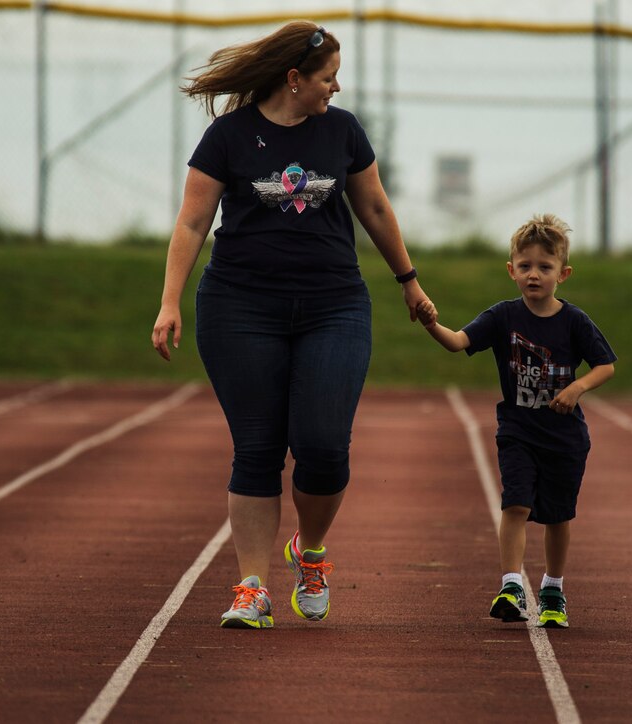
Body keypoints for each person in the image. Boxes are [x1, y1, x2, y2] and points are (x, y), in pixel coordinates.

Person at [151, 21, 428, 630]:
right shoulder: (227, 136)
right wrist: (170, 301)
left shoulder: (343, 130)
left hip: (334, 306)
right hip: (240, 308)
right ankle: (252, 585)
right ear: (294, 79)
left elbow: (375, 206)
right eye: (327, 77)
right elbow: (192, 223)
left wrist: (408, 280)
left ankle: (311, 550)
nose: (336, 86)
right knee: (256, 449)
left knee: (324, 450)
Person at [415, 214, 615, 628]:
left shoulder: (574, 321)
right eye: (525, 266)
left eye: (545, 267)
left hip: (564, 438)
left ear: (564, 273)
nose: (534, 275)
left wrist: (576, 388)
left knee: (559, 517)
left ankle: (553, 590)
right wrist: (431, 321)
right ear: (511, 271)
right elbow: (457, 343)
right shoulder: (502, 317)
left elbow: (605, 366)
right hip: (518, 431)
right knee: (516, 503)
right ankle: (511, 585)